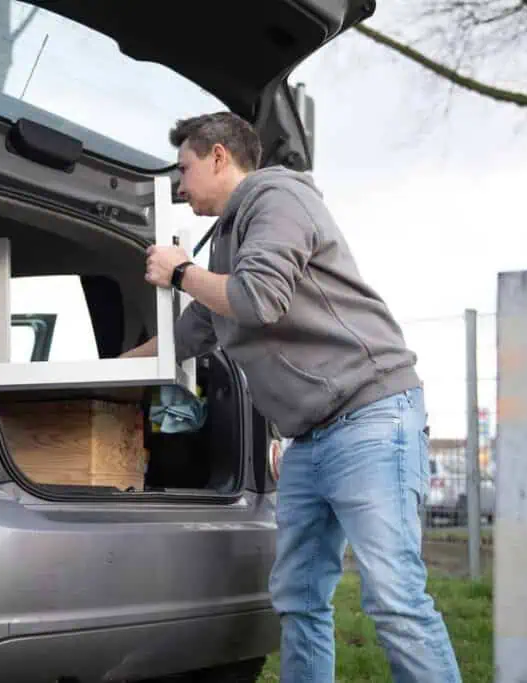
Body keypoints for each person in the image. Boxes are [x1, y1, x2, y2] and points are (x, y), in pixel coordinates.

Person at [120, 112, 462, 683]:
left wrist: (180, 273)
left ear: (220, 156)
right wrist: (104, 372)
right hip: (309, 441)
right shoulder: (230, 239)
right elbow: (189, 334)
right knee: (298, 599)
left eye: (185, 168)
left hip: (370, 419)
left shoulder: (277, 199)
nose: (180, 186)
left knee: (394, 599)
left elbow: (258, 300)